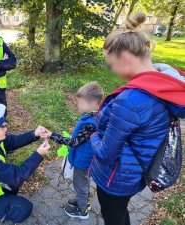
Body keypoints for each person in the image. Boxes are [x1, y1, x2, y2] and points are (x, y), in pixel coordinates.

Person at [90, 13, 185, 225]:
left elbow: (106, 154)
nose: (112, 70)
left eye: (111, 63)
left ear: (125, 58)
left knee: (112, 218)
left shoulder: (131, 100)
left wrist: (93, 136)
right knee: (120, 214)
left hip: (115, 179)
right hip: (134, 173)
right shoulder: (163, 85)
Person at [44, 82, 104, 219]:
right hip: (87, 157)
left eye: (80, 102)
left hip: (83, 160)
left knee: (80, 184)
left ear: (93, 103)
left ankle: (82, 210)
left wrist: (52, 135)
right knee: (84, 182)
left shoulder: (90, 123)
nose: (77, 105)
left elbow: (73, 142)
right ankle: (84, 201)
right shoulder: (94, 115)